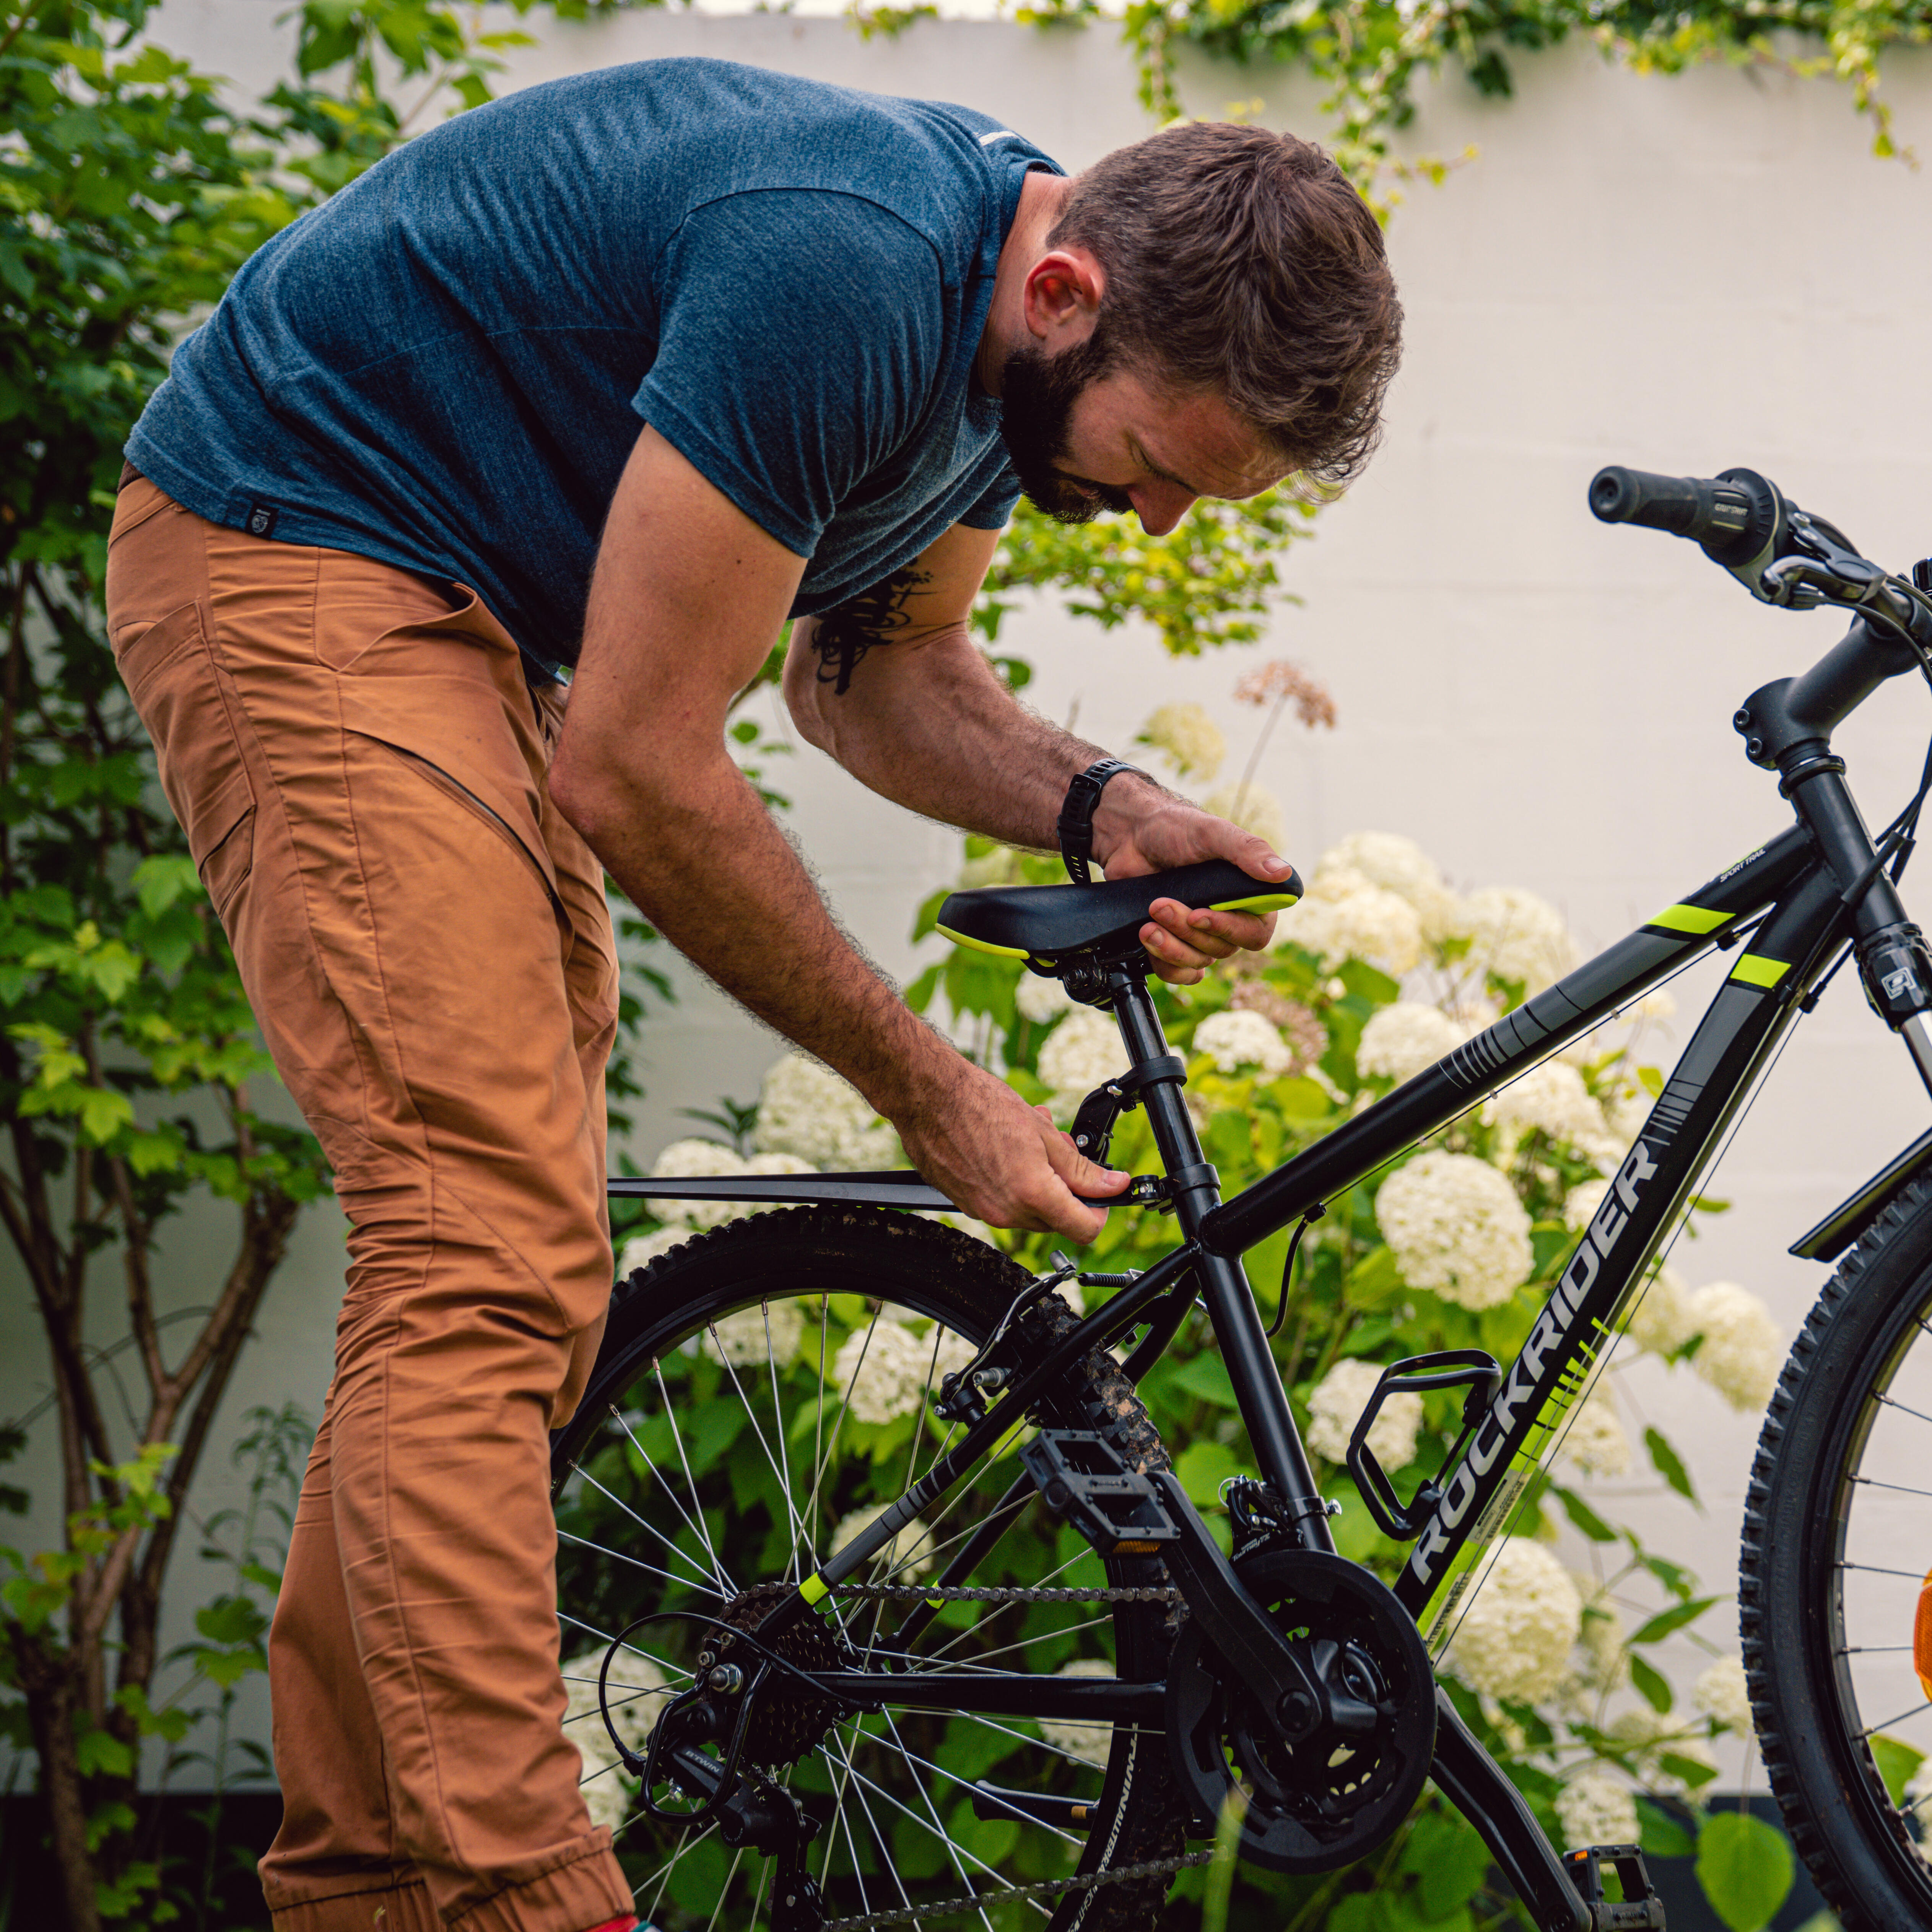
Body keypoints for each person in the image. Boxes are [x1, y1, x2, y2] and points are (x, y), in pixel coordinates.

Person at [102, 55, 1401, 1932]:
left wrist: (1104, 801)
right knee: (482, 1243)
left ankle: (362, 1889)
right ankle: (522, 1899)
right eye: (1160, 468)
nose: (1153, 524)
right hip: (299, 541)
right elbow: (634, 762)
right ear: (1068, 297)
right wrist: (931, 1091)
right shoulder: (850, 270)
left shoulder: (1002, 361)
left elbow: (877, 673)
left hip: (462, 625)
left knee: (508, 1276)